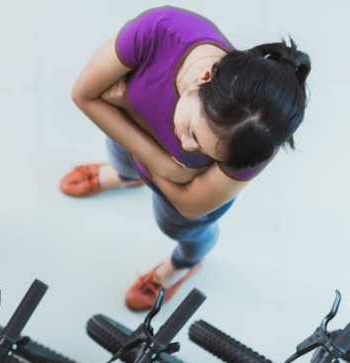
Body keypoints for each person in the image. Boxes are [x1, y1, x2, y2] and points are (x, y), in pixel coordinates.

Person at [60, 6, 310, 311]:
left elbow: (191, 206)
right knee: (122, 159)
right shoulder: (161, 30)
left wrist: (125, 103)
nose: (188, 147)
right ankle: (127, 177)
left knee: (180, 229)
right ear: (203, 78)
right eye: (192, 130)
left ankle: (185, 262)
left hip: (150, 165)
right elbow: (82, 94)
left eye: (207, 153)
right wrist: (168, 168)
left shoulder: (254, 136)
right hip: (143, 158)